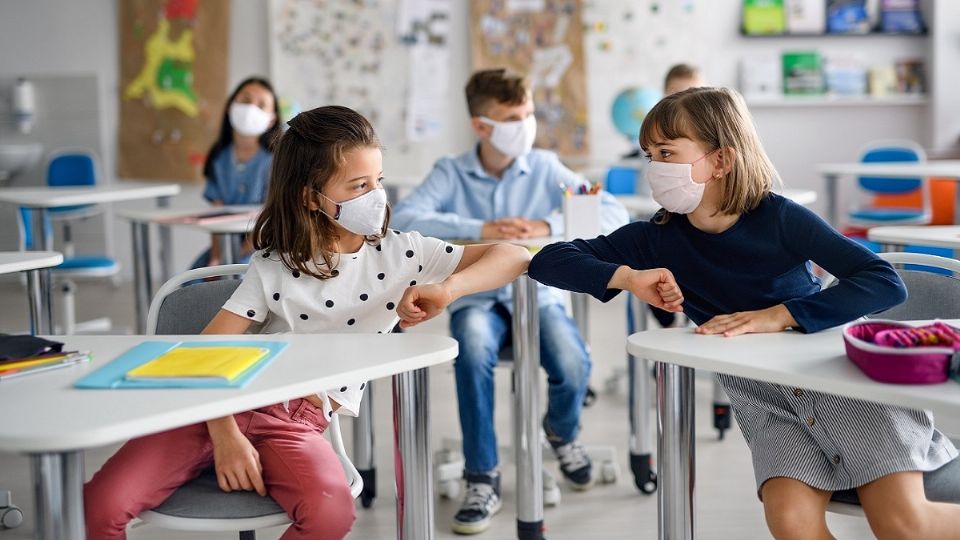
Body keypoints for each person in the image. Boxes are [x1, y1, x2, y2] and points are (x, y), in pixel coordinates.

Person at [529, 86, 960, 540]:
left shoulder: (778, 218)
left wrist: (780, 314)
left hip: (841, 389)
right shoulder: (655, 237)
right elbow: (550, 259)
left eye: (667, 152)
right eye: (649, 154)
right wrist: (628, 277)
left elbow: (882, 280)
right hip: (769, 407)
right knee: (792, 525)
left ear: (720, 160)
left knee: (902, 525)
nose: (653, 167)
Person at [84, 105, 532, 540]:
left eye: (377, 181)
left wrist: (449, 289)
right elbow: (207, 352)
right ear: (310, 197)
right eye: (358, 186)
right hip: (219, 405)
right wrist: (225, 437)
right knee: (97, 506)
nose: (376, 196)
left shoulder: (402, 253)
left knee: (330, 512)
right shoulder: (275, 264)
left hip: (296, 419)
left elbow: (513, 256)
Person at [392, 68, 630, 534]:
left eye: (528, 113)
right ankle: (482, 476)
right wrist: (482, 229)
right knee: (473, 350)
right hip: (474, 299)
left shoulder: (544, 166)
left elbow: (612, 211)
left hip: (540, 298)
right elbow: (405, 217)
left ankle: (562, 432)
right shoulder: (451, 171)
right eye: (512, 117)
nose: (526, 123)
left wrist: (544, 224)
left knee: (573, 362)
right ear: (481, 126)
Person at [190, 76, 282, 269]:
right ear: (231, 106)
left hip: (264, 248)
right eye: (246, 100)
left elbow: (272, 220)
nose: (251, 108)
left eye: (261, 104)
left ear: (272, 119)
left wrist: (233, 257)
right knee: (191, 283)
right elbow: (216, 213)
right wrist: (217, 256)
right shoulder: (219, 157)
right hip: (226, 247)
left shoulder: (276, 160)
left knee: (237, 284)